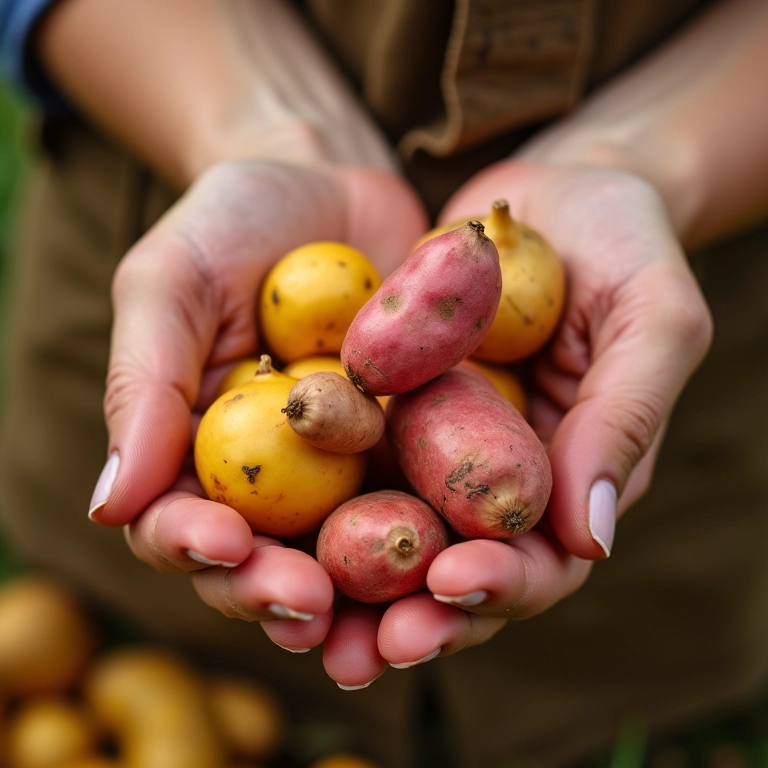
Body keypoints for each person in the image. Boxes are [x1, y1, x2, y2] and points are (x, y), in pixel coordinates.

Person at [0, 1, 766, 766]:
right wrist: (267, 129)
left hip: (679, 522)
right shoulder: (327, 382)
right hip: (157, 135)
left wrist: (644, 164)